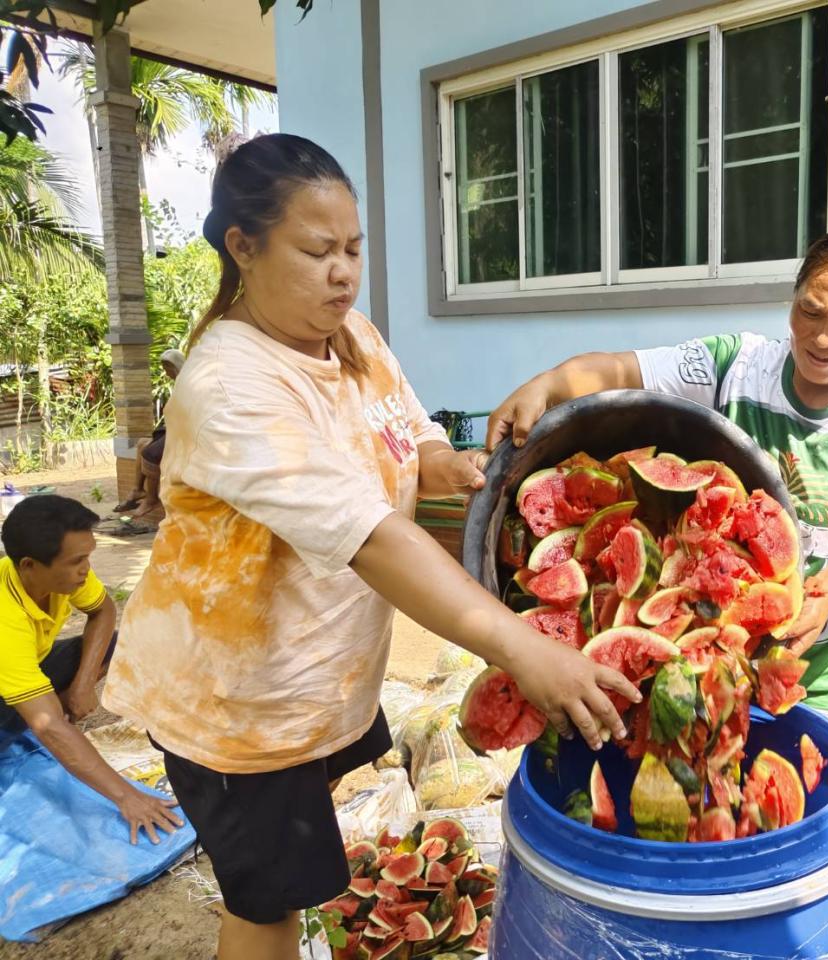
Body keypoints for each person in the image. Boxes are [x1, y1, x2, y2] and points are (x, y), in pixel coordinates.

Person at [100, 134, 639, 960]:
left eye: (354, 249)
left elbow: (409, 432)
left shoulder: (352, 334)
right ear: (243, 246)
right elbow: (374, 539)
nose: (343, 272)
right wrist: (521, 645)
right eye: (317, 251)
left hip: (315, 680)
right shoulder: (230, 385)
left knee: (286, 872)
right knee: (266, 906)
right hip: (237, 705)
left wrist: (446, 464)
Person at [487, 224, 828, 741]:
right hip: (691, 671)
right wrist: (548, 383)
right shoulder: (736, 364)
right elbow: (620, 369)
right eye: (810, 310)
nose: (821, 338)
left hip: (814, 680)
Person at [0, 494, 182, 843]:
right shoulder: (5, 621)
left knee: (111, 643)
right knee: (47, 723)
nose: (86, 568)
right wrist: (127, 797)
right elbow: (48, 724)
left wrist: (82, 685)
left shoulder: (60, 577)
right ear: (30, 565)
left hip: (20, 669)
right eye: (77, 561)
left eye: (88, 556)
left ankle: (47, 714)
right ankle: (35, 723)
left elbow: (103, 611)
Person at [115, 348, 186, 521]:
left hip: (185, 431)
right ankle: (137, 489)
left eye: (167, 368)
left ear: (175, 366)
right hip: (172, 427)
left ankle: (152, 498)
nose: (166, 373)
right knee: (141, 443)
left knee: (150, 453)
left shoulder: (189, 384)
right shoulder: (178, 384)